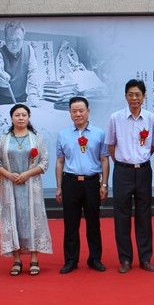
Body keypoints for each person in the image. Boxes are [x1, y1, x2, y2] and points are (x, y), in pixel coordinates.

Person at [0, 103, 53, 275]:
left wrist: (26, 174)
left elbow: (44, 162)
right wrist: (8, 175)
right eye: (17, 115)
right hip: (10, 186)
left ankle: (34, 258)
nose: (21, 118)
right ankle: (16, 259)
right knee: (13, 219)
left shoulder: (36, 138)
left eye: (24, 115)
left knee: (33, 218)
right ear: (11, 118)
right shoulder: (3, 139)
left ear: (29, 117)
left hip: (31, 186)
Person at [105, 79, 154, 274]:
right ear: (125, 96)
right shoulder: (115, 118)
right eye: (131, 94)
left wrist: (140, 159)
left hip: (143, 171)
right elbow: (111, 145)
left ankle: (145, 258)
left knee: (144, 215)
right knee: (122, 215)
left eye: (138, 94)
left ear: (144, 97)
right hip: (123, 171)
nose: (134, 98)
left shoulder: (151, 118)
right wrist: (123, 161)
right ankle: (125, 259)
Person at [55, 96, 110, 274]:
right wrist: (58, 187)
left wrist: (104, 184)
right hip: (70, 182)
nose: (78, 114)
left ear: (88, 111)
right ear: (69, 113)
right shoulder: (63, 134)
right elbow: (60, 162)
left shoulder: (99, 133)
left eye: (81, 110)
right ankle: (71, 260)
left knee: (93, 223)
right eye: (74, 111)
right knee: (71, 224)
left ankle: (95, 259)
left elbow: (104, 160)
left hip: (92, 182)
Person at [0, 20, 40, 105]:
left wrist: (32, 93)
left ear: (23, 39)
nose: (14, 44)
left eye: (18, 40)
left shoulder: (29, 50)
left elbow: (33, 72)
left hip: (22, 96)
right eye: (10, 40)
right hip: (2, 98)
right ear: (5, 39)